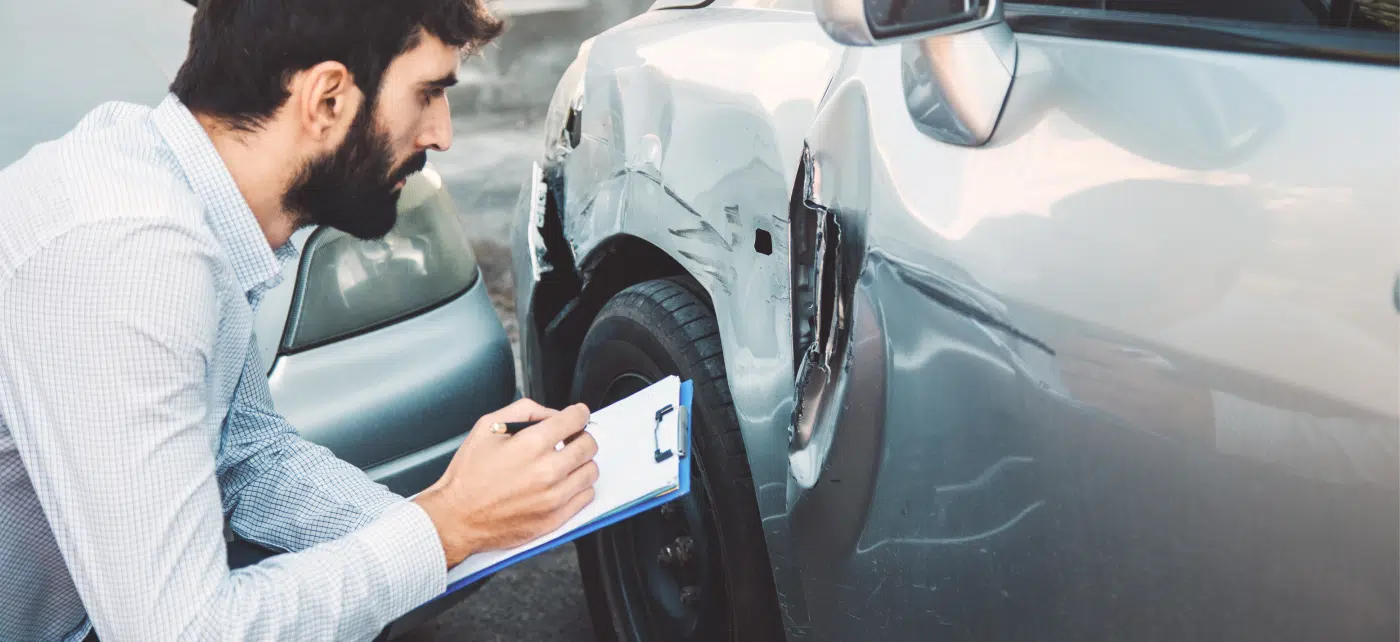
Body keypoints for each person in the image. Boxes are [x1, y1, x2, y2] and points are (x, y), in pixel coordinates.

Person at [0, 0, 601, 640]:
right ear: (327, 99)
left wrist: (452, 515)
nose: (441, 134)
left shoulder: (183, 192)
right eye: (427, 93)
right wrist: (444, 530)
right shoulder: (133, 255)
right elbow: (185, 631)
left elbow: (247, 454)